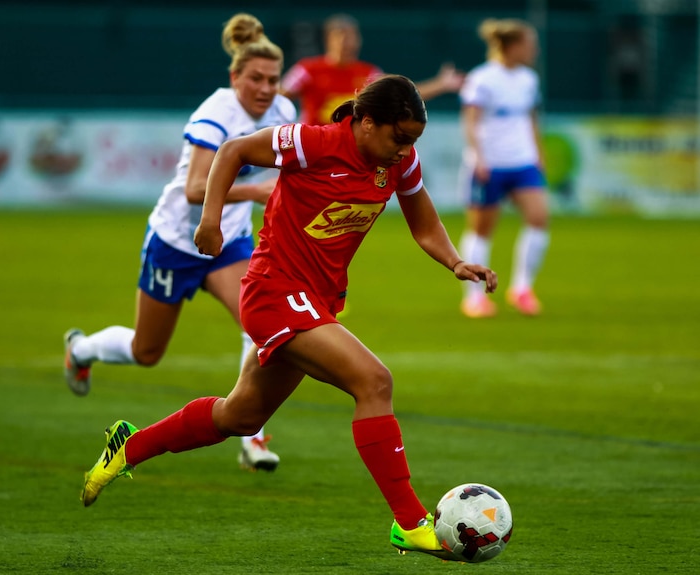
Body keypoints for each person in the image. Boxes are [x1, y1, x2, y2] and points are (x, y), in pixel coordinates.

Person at [77, 74, 497, 559]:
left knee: (241, 414)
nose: (404, 150)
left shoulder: (397, 164)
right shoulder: (312, 142)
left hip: (316, 300)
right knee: (374, 381)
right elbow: (233, 150)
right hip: (274, 291)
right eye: (398, 138)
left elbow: (425, 223)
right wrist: (210, 221)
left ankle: (128, 448)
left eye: (413, 141)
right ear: (365, 123)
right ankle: (409, 522)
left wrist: (455, 261)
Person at [63, 13, 296, 472]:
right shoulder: (216, 112)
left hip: (229, 244)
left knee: (262, 327)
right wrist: (255, 192)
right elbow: (195, 188)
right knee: (146, 352)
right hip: (176, 240)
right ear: (235, 77)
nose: (266, 88)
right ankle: (81, 349)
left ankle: (253, 436)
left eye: (273, 79)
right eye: (256, 78)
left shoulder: (283, 112)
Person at [457, 18, 549, 318]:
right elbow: (470, 121)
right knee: (482, 230)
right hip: (490, 164)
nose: (534, 49)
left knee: (538, 218)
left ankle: (522, 288)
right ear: (513, 45)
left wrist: (538, 153)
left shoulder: (528, 80)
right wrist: (479, 157)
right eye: (529, 44)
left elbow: (531, 119)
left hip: (522, 161)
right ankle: (474, 298)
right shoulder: (482, 78)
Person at [281, 13, 464, 125]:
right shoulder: (307, 69)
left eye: (353, 37)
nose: (348, 44)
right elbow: (278, 97)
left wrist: (441, 84)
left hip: (351, 151)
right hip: (314, 149)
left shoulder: (367, 73)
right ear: (329, 39)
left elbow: (401, 93)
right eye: (342, 37)